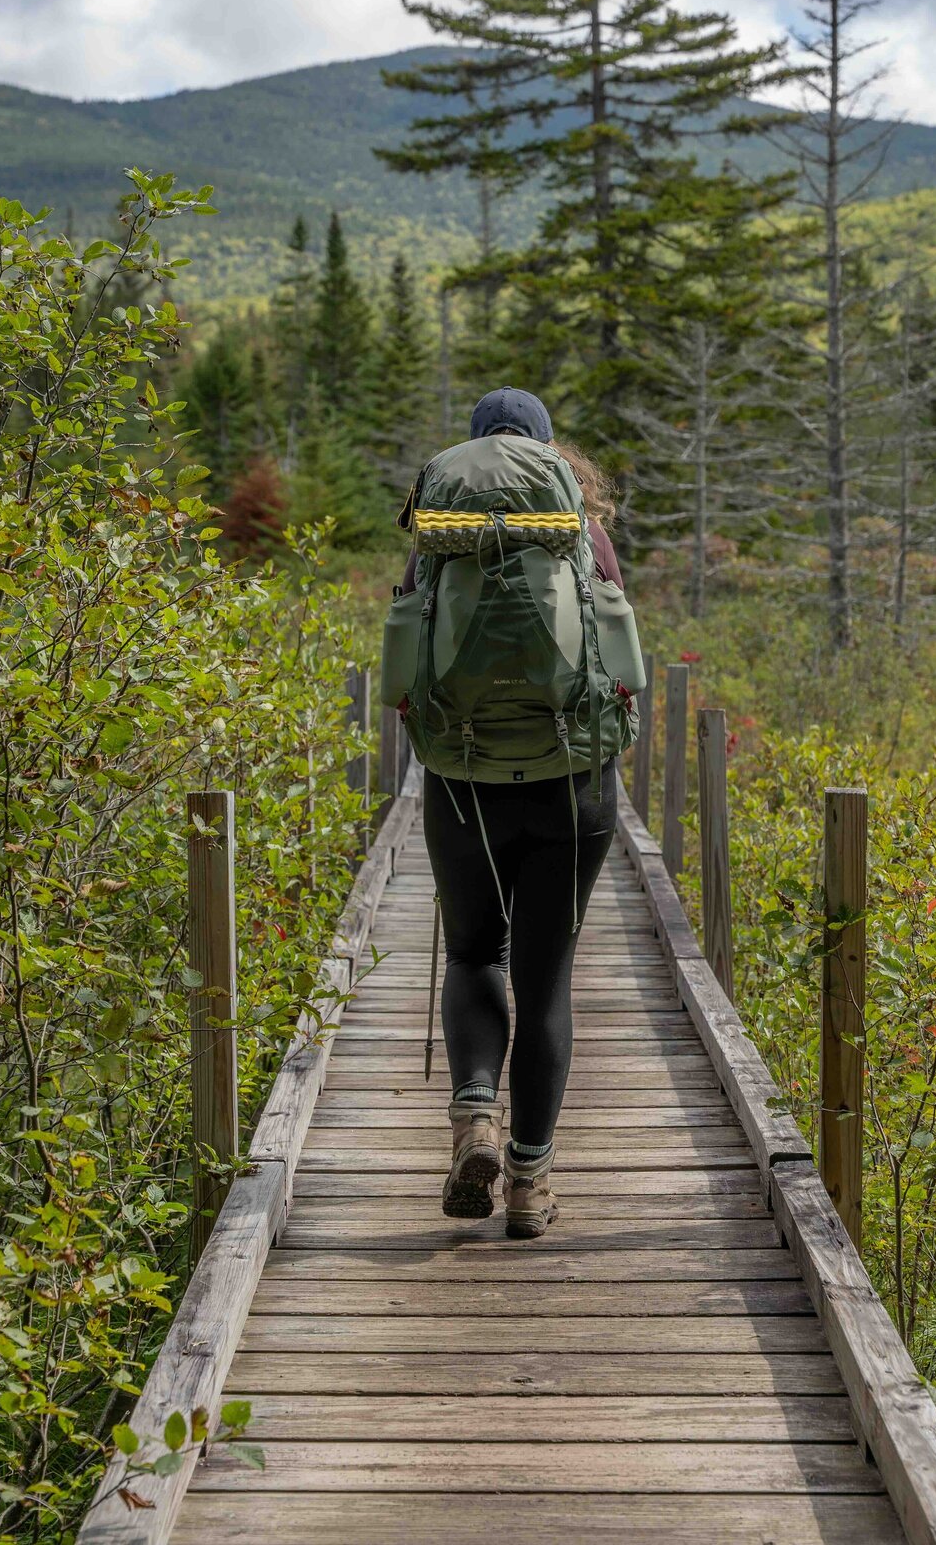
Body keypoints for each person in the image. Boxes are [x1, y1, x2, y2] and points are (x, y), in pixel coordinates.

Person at [396, 386, 630, 1239]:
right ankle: (529, 1186)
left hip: (463, 779)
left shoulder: (436, 536)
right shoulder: (581, 533)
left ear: (470, 454)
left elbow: (403, 670)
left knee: (471, 952)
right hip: (573, 781)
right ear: (547, 451)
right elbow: (622, 667)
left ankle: (473, 1121)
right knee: (547, 980)